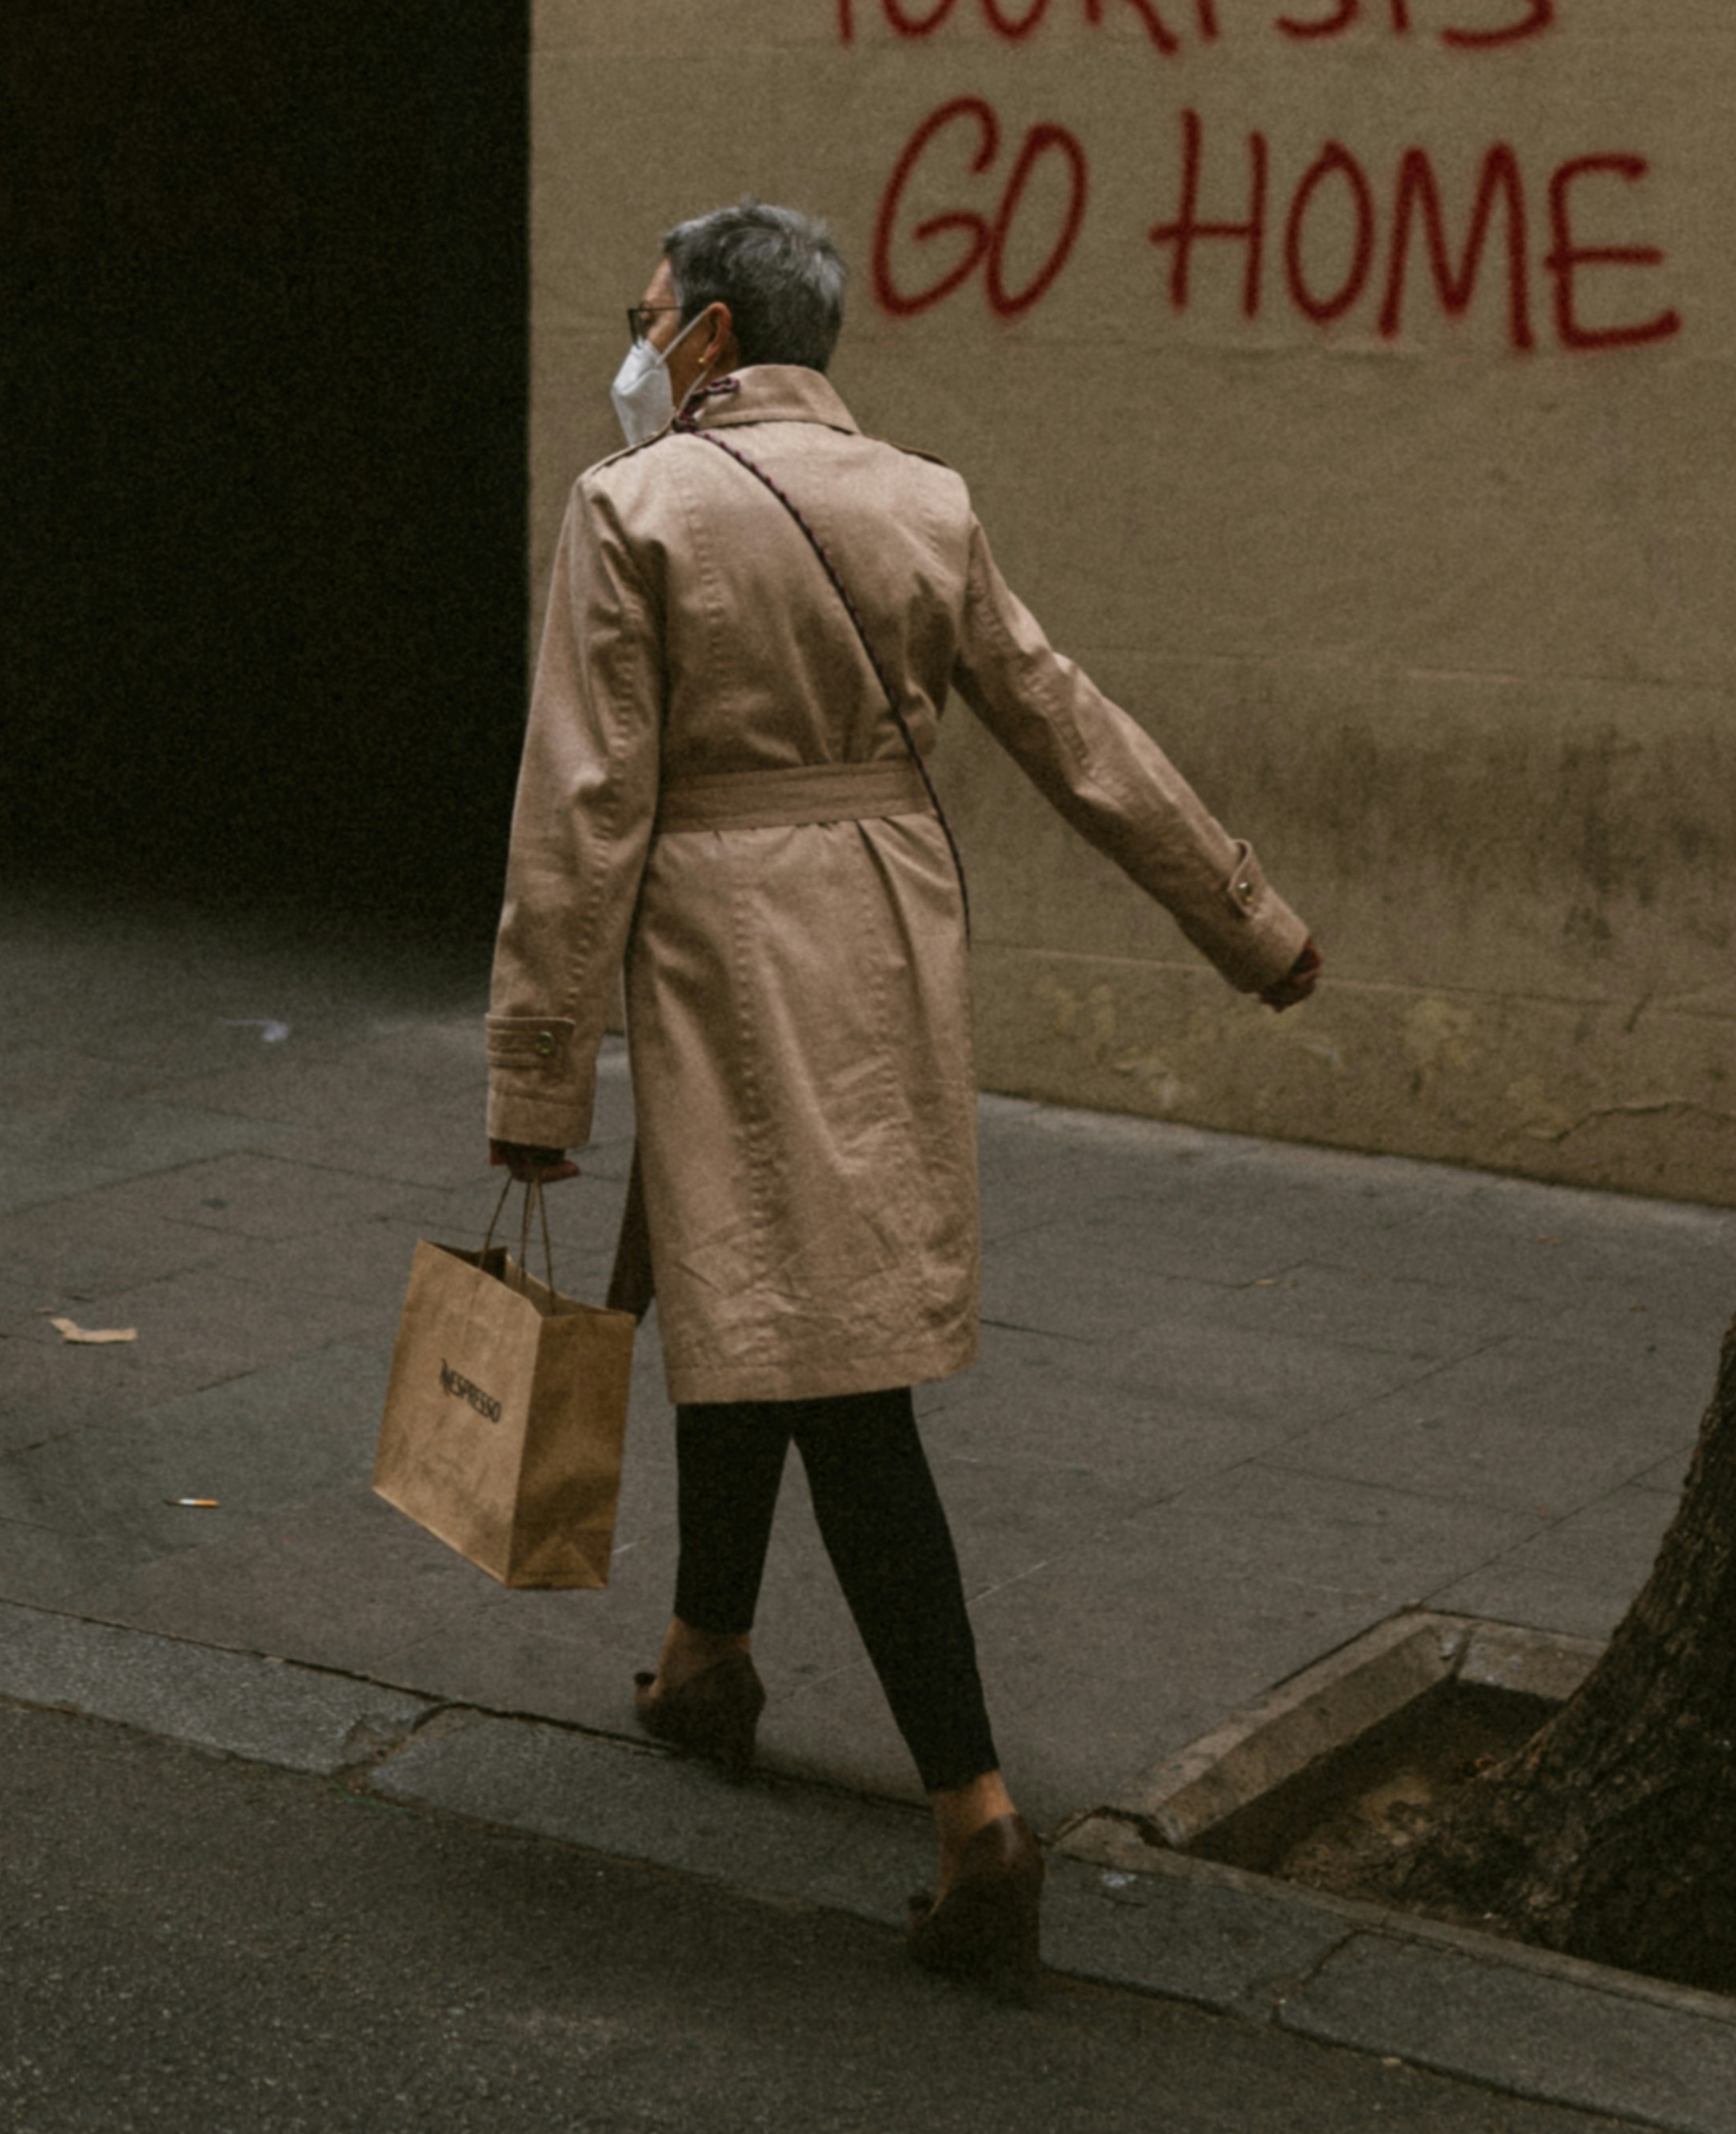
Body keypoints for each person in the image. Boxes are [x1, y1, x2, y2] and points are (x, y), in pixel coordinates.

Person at [484, 200, 1320, 1995]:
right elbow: (1069, 728)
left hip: (721, 949)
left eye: (646, 314)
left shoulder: (632, 508)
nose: (633, 345)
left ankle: (976, 1817)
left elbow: (583, 807)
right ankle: (706, 1655)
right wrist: (1245, 919)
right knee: (749, 1289)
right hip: (883, 943)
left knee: (829, 1373)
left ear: (710, 335)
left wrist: (537, 1071)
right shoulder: (924, 501)